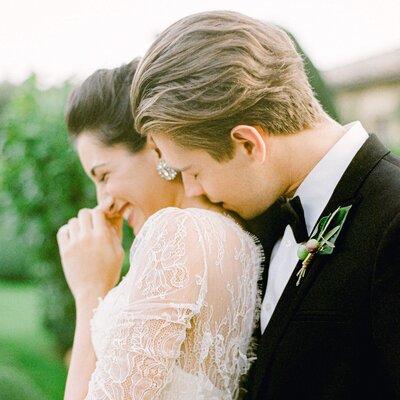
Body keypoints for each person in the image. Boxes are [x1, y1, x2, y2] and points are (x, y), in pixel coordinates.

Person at [130, 10, 400, 399]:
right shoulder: (260, 222)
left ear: (248, 143)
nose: (192, 189)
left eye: (192, 170)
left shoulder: (394, 219)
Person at [57, 59, 263, 399]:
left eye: (104, 175)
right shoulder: (233, 234)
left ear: (154, 146)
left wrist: (89, 292)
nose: (103, 202)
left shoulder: (177, 233)